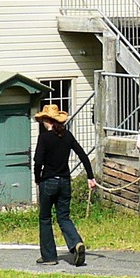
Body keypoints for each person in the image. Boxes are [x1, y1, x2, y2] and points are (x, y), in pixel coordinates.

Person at [33, 104, 97, 266]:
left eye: (43, 120)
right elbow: (82, 154)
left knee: (45, 218)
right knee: (63, 217)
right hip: (65, 181)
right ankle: (76, 243)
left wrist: (37, 177)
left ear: (47, 121)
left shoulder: (44, 138)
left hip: (48, 181)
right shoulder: (67, 136)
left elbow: (38, 161)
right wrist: (90, 176)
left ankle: (49, 257)